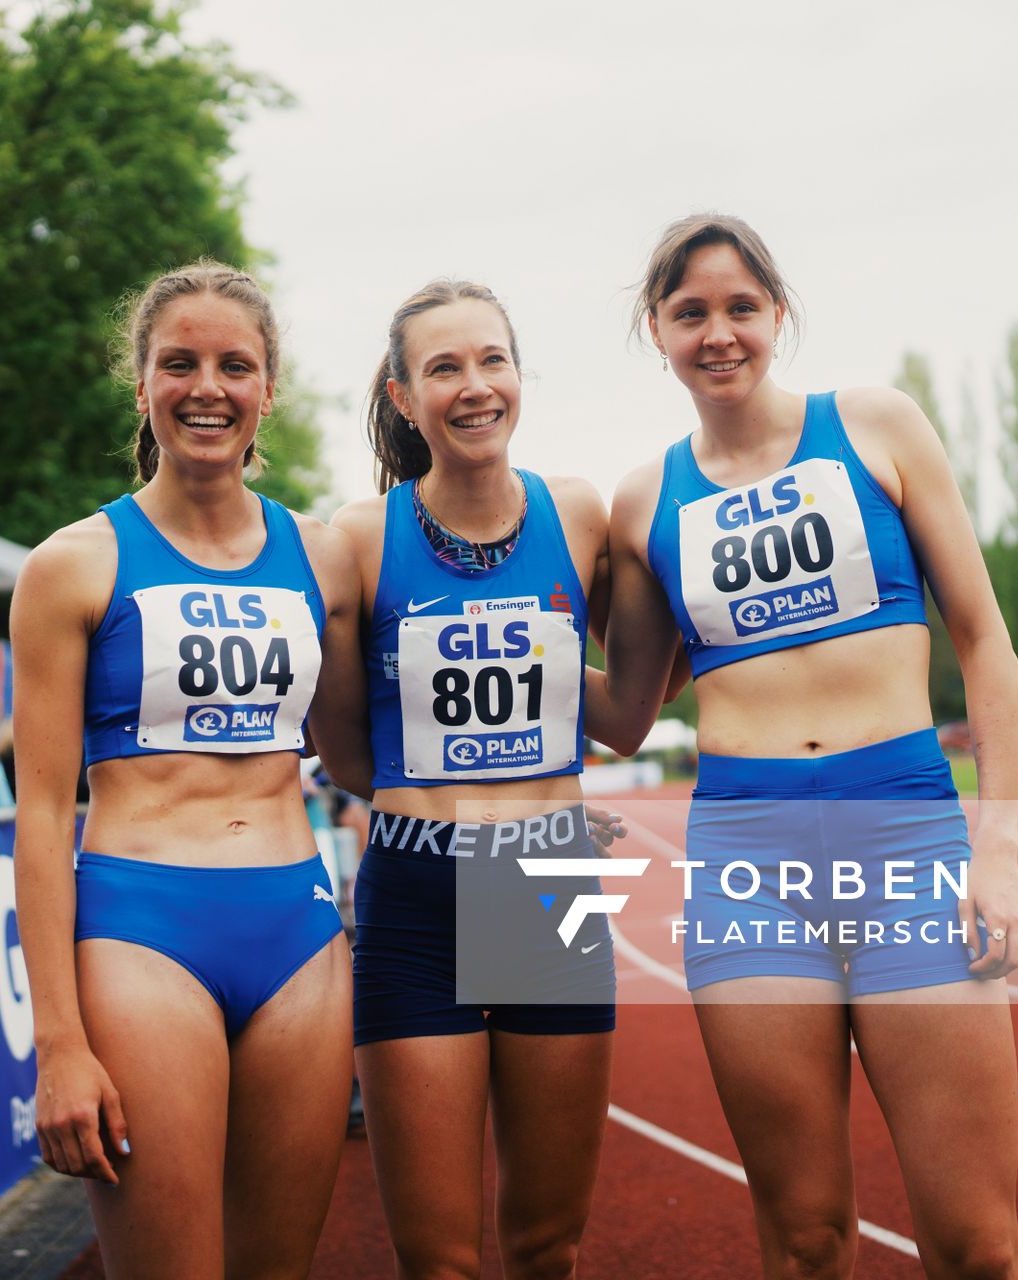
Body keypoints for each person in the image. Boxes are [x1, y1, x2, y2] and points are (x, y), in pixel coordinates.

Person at [601, 215, 1018, 1277]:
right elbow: (624, 710)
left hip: (906, 835)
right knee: (803, 1238)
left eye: (741, 306)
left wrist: (1002, 846)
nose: (719, 331)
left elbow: (983, 637)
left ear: (778, 314)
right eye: (690, 311)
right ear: (656, 329)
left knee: (974, 1240)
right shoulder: (644, 498)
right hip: (748, 858)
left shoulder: (877, 424)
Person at [11, 260, 367, 1278]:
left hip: (300, 927)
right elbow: (41, 815)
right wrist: (59, 1042)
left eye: (234, 365)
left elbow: (357, 755)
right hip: (141, 931)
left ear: (267, 389)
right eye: (180, 363)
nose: (207, 385)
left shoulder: (325, 554)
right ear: (143, 386)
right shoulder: (72, 564)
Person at [332, 280, 616, 1280]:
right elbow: (339, 746)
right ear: (406, 397)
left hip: (546, 882)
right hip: (416, 887)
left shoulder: (578, 513)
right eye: (444, 367)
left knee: (547, 1243)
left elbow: (623, 707)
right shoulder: (358, 539)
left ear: (517, 373)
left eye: (491, 359)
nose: (474, 384)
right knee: (440, 1258)